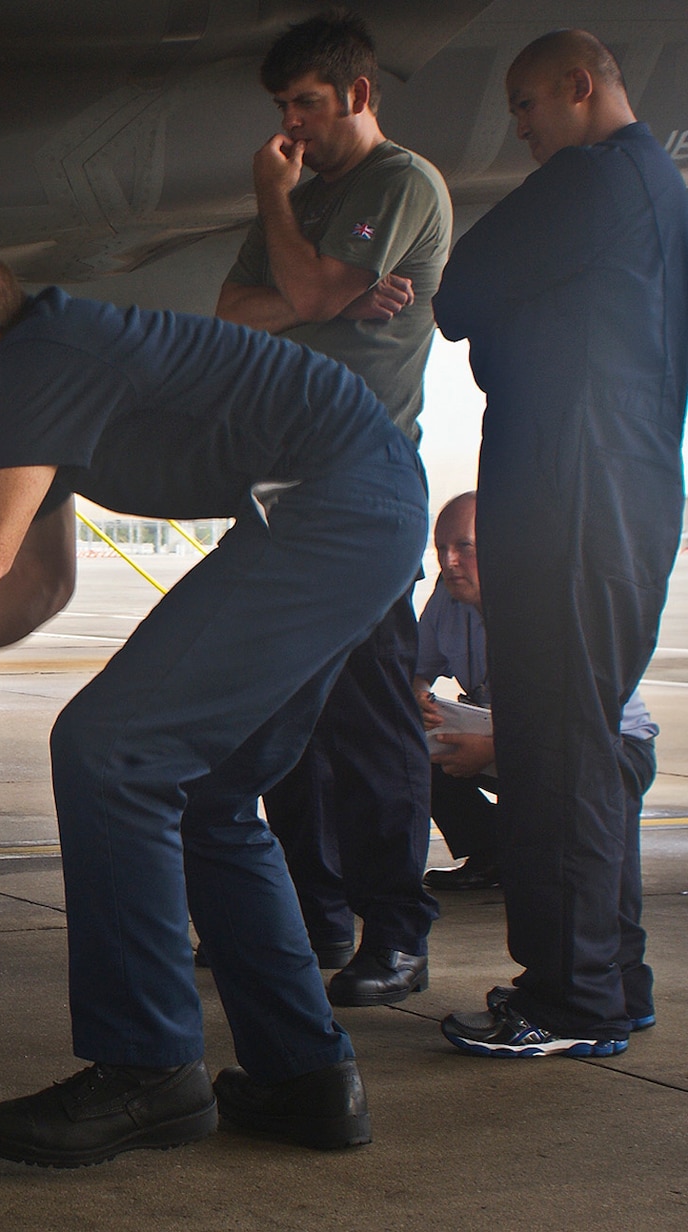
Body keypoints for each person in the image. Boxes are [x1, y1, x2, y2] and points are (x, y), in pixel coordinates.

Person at [0, 236, 425, 1166]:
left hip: (334, 508)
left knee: (110, 751)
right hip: (341, 511)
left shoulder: (44, 357)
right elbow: (33, 587)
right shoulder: (29, 395)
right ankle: (306, 1078)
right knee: (211, 797)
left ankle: (149, 1069)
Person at [430, 30, 687, 1059]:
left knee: (555, 751)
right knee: (580, 742)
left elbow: (455, 295)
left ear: (578, 88)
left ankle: (570, 995)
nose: (520, 127)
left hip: (564, 492)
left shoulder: (585, 179)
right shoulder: (666, 195)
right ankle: (608, 979)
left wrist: (507, 332)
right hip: (628, 489)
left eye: (526, 104)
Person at [215, 8, 449, 1006]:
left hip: (358, 488)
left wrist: (279, 208)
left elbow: (298, 295)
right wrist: (314, 286)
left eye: (304, 104)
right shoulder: (302, 205)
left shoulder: (395, 182)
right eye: (278, 110)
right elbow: (233, 311)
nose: (290, 126)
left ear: (356, 94)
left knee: (365, 725)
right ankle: (312, 916)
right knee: (276, 721)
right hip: (278, 488)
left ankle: (394, 931)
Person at [415, 494, 660, 970]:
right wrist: (418, 696)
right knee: (407, 739)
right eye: (441, 547)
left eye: (464, 546)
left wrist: (492, 750)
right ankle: (492, 854)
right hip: (518, 739)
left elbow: (573, 730)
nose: (449, 561)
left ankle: (612, 991)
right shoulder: (449, 598)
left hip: (606, 751)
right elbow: (417, 667)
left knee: (588, 886)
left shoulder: (543, 606)